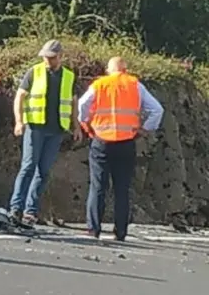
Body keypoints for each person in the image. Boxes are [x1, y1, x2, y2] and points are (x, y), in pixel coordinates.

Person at [78, 57, 164, 241]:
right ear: (125, 70)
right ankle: (121, 231)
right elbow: (157, 110)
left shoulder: (100, 84)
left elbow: (82, 104)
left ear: (109, 70)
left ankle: (93, 229)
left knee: (98, 186)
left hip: (101, 140)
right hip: (126, 142)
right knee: (122, 189)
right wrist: (145, 129)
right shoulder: (135, 85)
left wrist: (86, 124)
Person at [9, 39, 84, 226]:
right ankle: (16, 208)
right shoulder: (34, 72)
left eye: (51, 57)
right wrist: (19, 121)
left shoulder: (69, 76)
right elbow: (20, 97)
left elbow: (74, 103)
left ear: (60, 56)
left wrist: (76, 126)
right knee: (28, 167)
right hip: (35, 127)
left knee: (43, 171)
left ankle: (30, 211)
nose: (47, 60)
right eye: (45, 57)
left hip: (56, 130)